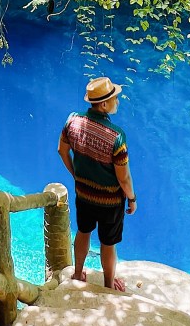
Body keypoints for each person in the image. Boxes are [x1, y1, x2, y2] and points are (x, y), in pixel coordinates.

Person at [57, 76, 137, 293]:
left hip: (83, 195)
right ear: (103, 105)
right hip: (110, 202)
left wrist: (76, 176)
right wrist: (132, 198)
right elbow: (123, 178)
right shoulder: (116, 137)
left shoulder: (72, 121)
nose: (117, 101)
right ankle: (109, 286)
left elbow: (62, 151)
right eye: (114, 98)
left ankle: (77, 274)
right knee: (108, 243)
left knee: (83, 232)